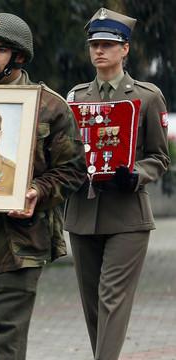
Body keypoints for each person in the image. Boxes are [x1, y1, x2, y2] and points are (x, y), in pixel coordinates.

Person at [0, 13, 86, 360]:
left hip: (20, 242)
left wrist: (37, 191)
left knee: (3, 346)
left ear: (20, 56)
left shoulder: (51, 105)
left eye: (1, 50)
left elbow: (72, 170)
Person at [64, 8, 170, 360]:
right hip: (83, 213)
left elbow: (160, 157)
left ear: (125, 49)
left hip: (127, 215)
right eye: (95, 44)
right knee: (93, 305)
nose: (99, 51)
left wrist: (136, 173)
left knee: (112, 298)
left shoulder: (147, 95)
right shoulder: (75, 98)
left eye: (108, 44)